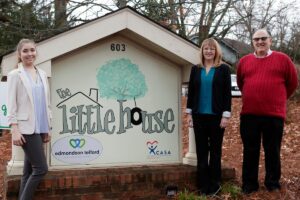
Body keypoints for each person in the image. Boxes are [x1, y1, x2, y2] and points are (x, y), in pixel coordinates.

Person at [237, 29, 298, 194]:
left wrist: (278, 99)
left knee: (272, 150)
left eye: (263, 38)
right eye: (256, 39)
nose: (260, 42)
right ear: (252, 42)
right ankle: (249, 185)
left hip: (274, 115)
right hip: (249, 114)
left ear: (270, 40)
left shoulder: (283, 59)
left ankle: (272, 183)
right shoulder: (244, 61)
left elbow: (292, 83)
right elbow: (242, 83)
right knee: (250, 150)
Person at [7, 39, 52, 200]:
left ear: (36, 52)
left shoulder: (42, 73)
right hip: (26, 129)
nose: (29, 54)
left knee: (28, 172)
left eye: (32, 50)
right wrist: (14, 129)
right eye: (25, 51)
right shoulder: (15, 75)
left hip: (40, 128)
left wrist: (48, 128)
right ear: (19, 54)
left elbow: (46, 104)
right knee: (41, 169)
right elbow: (11, 104)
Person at [186, 38, 232, 195]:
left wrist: (226, 116)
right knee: (201, 152)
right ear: (202, 51)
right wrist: (189, 114)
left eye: (212, 49)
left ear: (216, 51)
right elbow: (191, 92)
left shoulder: (223, 69)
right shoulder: (195, 69)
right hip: (199, 116)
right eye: (206, 48)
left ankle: (215, 186)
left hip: (217, 117)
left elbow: (227, 94)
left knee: (216, 152)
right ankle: (203, 187)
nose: (209, 51)